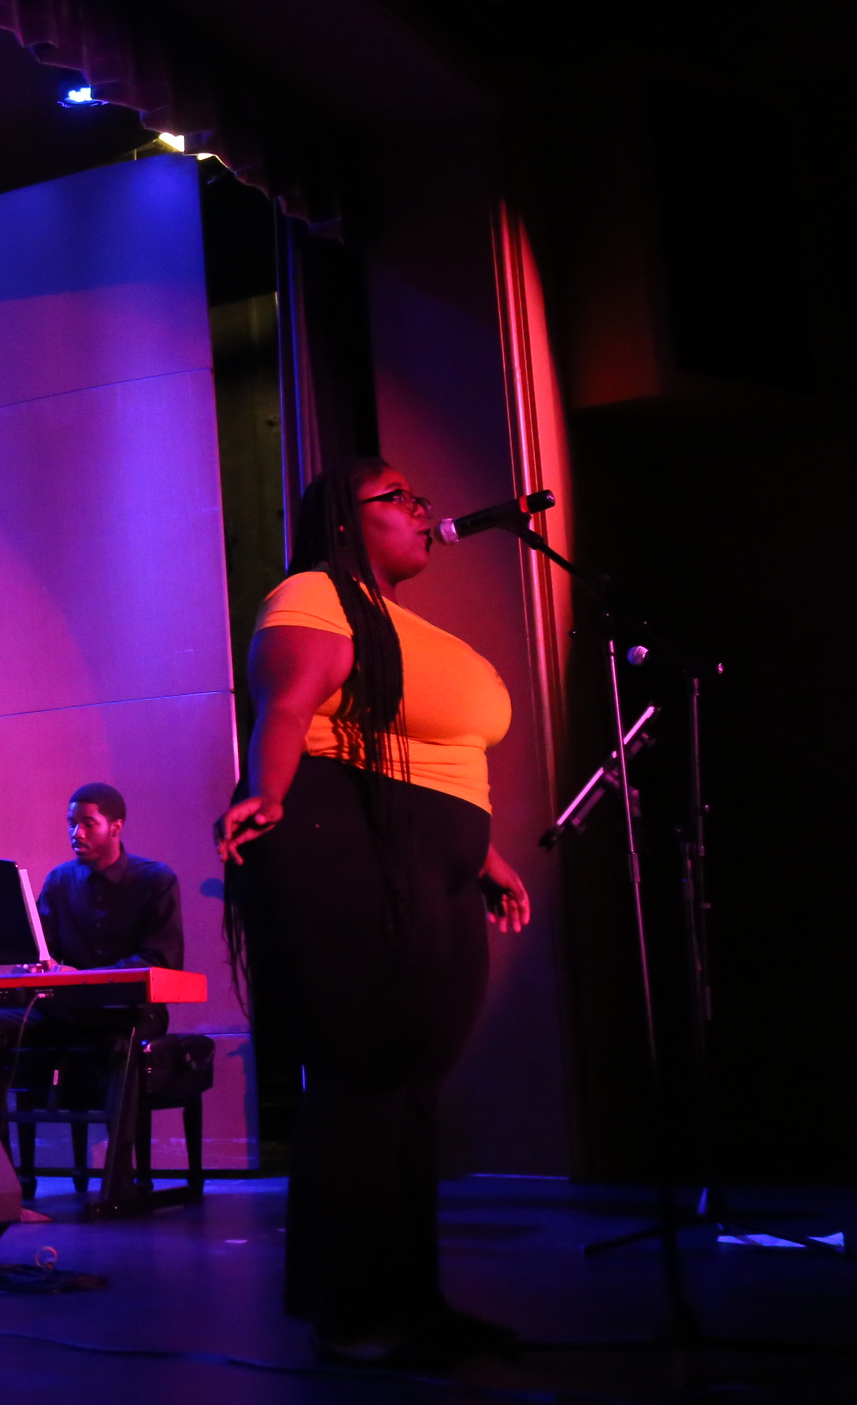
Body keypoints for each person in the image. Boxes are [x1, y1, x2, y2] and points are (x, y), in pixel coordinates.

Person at [219, 460, 532, 1366]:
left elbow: (427, 759)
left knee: (416, 1079)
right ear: (346, 524)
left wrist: (486, 857)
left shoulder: (412, 627)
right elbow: (289, 702)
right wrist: (264, 791)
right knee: (364, 1070)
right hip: (337, 840)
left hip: (433, 860)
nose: (420, 505)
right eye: (394, 496)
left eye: (417, 493)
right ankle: (351, 1307)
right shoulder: (314, 594)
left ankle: (412, 1299)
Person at [0, 784, 183, 1143]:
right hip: (69, 1011)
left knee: (120, 1041)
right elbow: (39, 948)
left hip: (129, 1010)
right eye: (71, 823)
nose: (76, 833)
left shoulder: (155, 879)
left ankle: (119, 1183)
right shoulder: (61, 880)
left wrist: (85, 977)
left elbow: (161, 959)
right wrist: (32, 962)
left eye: (87, 824)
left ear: (116, 826)